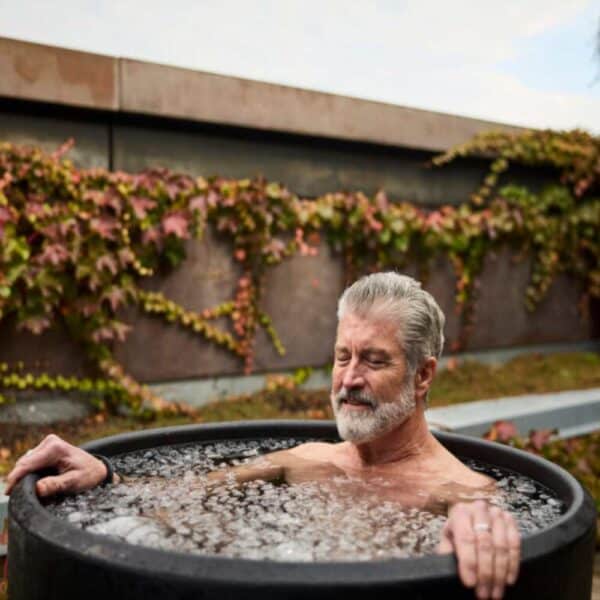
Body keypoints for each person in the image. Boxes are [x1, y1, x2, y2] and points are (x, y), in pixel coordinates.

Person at [6, 272, 520, 600]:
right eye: (343, 357)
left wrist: (481, 523)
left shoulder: (457, 488)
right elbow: (183, 493)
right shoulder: (309, 459)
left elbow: (481, 518)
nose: (349, 379)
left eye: (374, 360)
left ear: (423, 375)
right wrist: (104, 473)